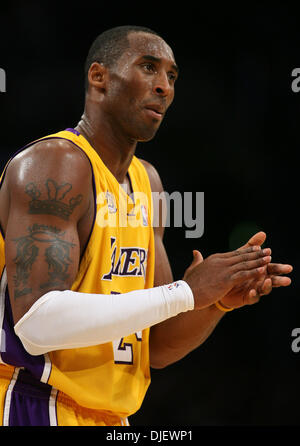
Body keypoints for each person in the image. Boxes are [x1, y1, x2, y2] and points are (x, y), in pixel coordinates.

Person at [0, 25, 292, 427]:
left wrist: (215, 302)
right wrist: (187, 291)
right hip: (33, 403)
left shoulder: (148, 181)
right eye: (149, 67)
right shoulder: (57, 163)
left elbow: (153, 344)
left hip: (112, 418)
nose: (164, 87)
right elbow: (38, 325)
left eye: (171, 76)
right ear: (98, 77)